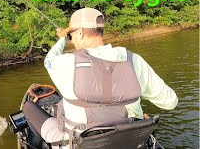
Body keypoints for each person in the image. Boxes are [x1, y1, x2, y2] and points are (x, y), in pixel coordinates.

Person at [22, 8, 178, 148]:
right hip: (129, 142)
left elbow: (48, 60)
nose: (71, 39)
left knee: (29, 107)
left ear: (81, 32)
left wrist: (62, 39)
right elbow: (171, 102)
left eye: (71, 35)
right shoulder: (134, 60)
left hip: (76, 144)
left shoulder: (65, 63)